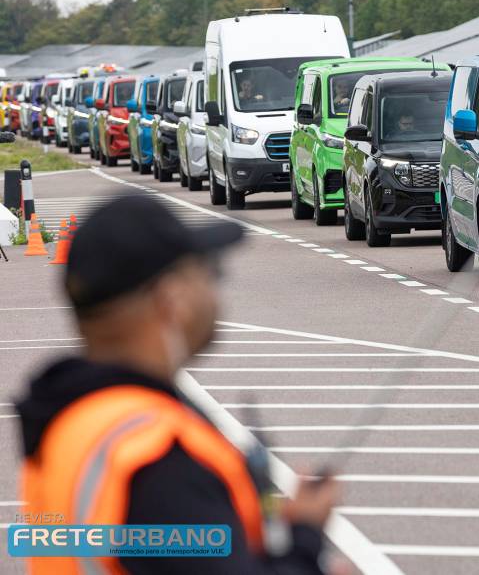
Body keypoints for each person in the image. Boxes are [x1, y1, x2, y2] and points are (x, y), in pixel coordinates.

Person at [16, 195, 337, 574]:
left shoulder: (71, 421)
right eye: (209, 273)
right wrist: (304, 544)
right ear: (171, 299)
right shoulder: (158, 457)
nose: (216, 290)